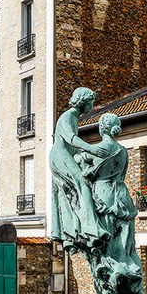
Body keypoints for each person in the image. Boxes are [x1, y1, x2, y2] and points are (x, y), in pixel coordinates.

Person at [75, 112, 147, 294]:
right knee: (125, 245)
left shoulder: (100, 148)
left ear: (102, 128)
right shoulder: (123, 151)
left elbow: (80, 157)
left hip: (104, 193)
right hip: (122, 195)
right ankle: (128, 285)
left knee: (105, 245)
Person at [50, 87, 109, 256]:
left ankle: (74, 229)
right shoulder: (68, 116)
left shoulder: (74, 118)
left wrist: (86, 155)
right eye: (90, 102)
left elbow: (74, 149)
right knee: (82, 183)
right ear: (83, 101)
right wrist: (92, 149)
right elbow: (71, 139)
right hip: (59, 156)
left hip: (64, 154)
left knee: (69, 193)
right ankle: (91, 227)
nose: (92, 105)